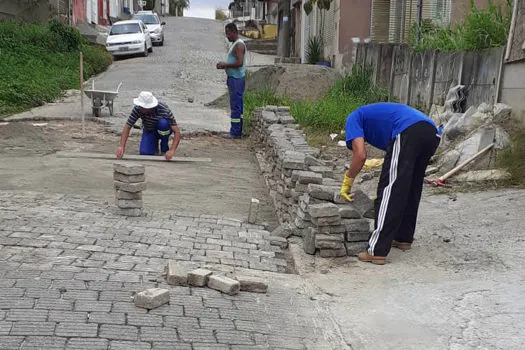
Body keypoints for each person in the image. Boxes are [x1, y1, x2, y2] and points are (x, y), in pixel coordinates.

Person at [340, 102, 441, 265]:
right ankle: (403, 237)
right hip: (431, 133)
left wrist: (348, 181)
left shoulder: (353, 118)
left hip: (408, 129)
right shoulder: (372, 117)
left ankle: (376, 250)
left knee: (390, 188)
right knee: (410, 186)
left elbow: (360, 155)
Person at [116, 91, 181, 160]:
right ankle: (154, 146)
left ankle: (164, 147)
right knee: (145, 153)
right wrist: (121, 146)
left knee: (163, 124)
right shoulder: (137, 109)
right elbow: (127, 127)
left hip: (162, 129)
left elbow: (177, 132)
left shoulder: (164, 110)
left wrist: (172, 150)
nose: (141, 108)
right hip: (149, 130)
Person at [216, 23, 247, 138]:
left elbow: (239, 63)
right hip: (234, 78)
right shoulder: (235, 44)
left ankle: (235, 132)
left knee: (236, 105)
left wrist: (226, 64)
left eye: (228, 33)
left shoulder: (239, 45)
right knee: (237, 105)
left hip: (236, 79)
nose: (227, 36)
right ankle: (237, 130)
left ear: (233, 32)